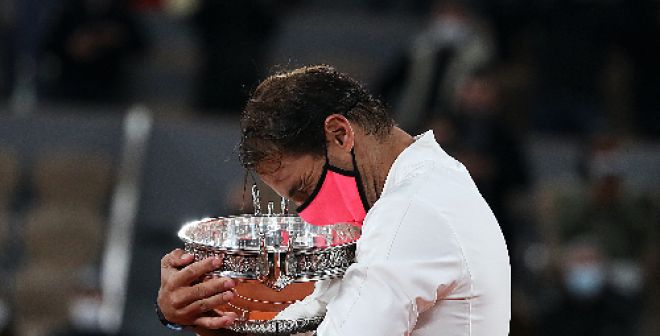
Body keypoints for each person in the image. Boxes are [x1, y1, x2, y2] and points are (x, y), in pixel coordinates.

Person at [157, 65, 511, 335]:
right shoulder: (421, 186)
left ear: (340, 134)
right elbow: (319, 309)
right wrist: (192, 313)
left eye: (305, 189)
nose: (307, 213)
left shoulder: (411, 212)